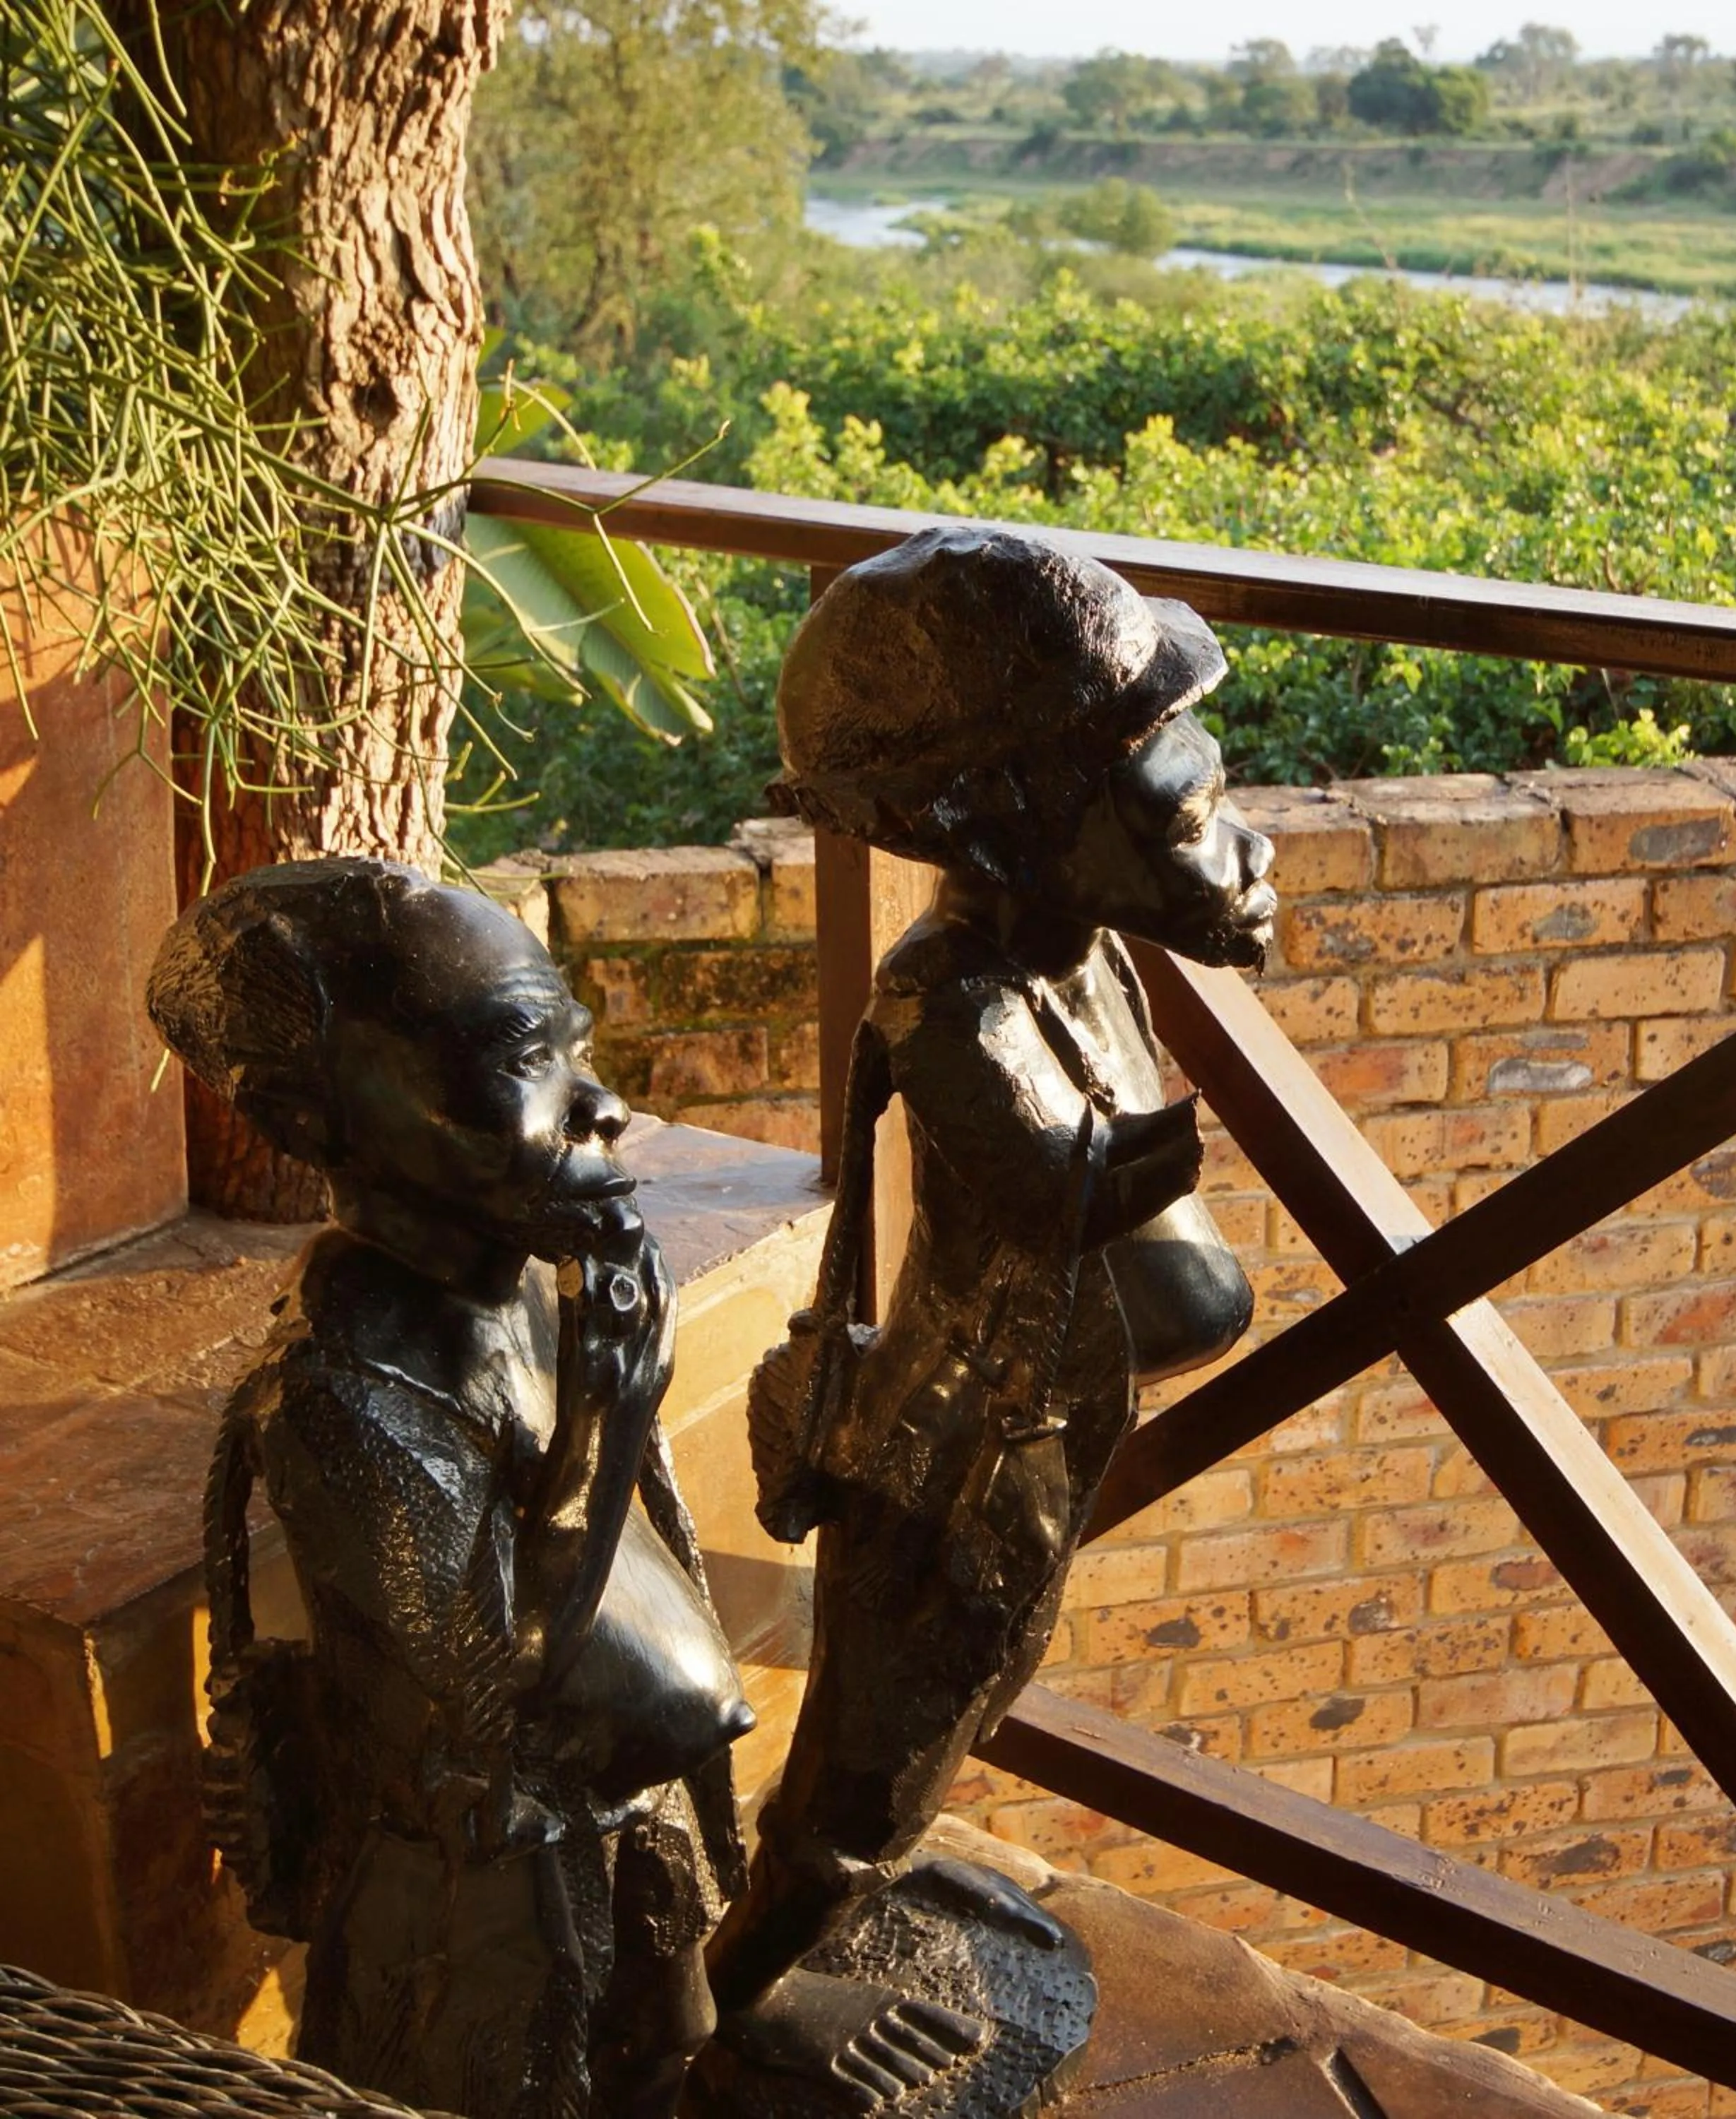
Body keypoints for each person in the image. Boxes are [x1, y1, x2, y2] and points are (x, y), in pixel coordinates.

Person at [703, 525, 1278, 2095]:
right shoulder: (947, 996)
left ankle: (846, 1896)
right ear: (1010, 824)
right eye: (1176, 802)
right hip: (964, 1454)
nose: (1233, 836)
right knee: (873, 1755)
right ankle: (741, 1992)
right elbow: (1061, 1188)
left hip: (1048, 1427)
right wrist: (1167, 1151)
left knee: (958, 1708)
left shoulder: (1084, 957)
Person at [148, 860, 753, 2119]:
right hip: (479, 1941)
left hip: (620, 1857)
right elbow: (501, 1700)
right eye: (522, 1052)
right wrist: (607, 1416)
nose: (604, 1103)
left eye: (574, 1045)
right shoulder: (338, 1396)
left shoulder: (526, 1290)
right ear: (311, 1120)